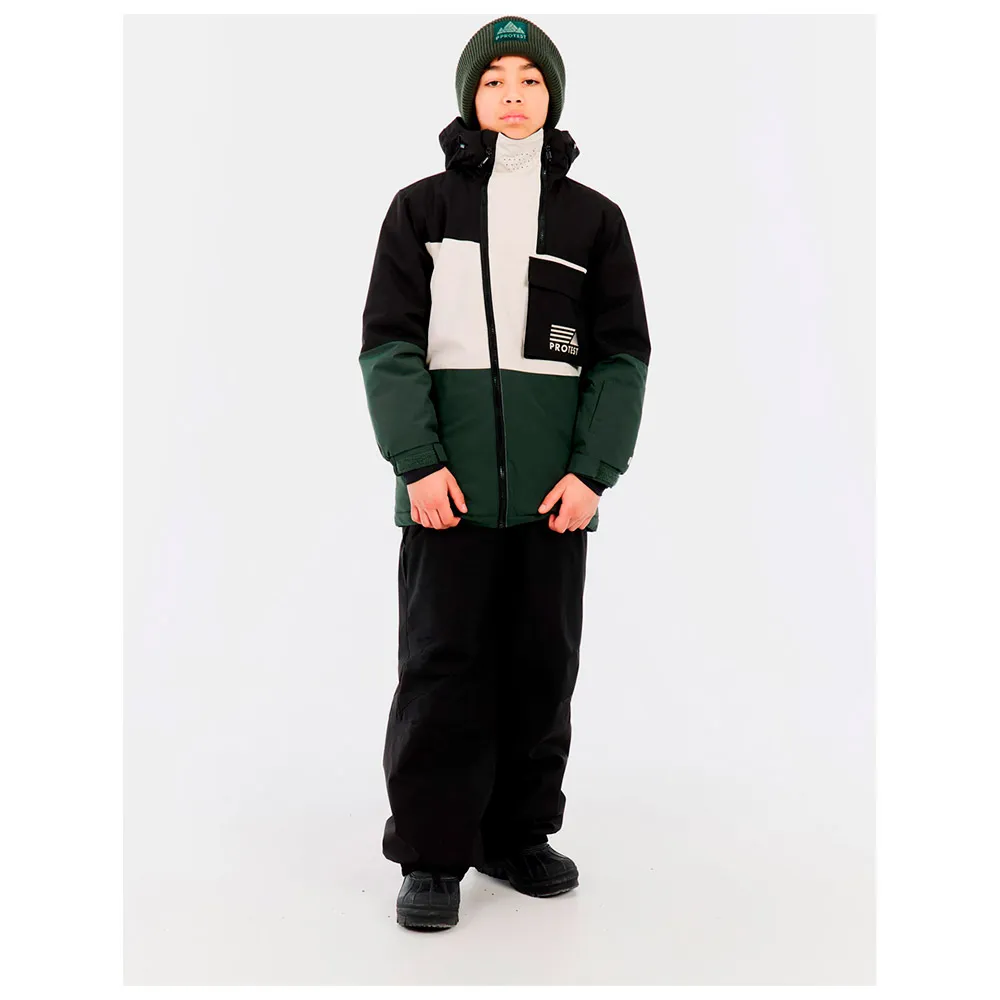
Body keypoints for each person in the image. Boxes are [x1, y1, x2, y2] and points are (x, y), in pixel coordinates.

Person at [359, 15, 651, 931]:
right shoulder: (421, 210)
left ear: (551, 96)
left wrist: (591, 474)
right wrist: (418, 466)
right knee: (440, 671)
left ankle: (517, 835)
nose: (513, 95)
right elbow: (389, 347)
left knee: (541, 669)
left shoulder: (595, 220)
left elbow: (621, 359)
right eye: (494, 80)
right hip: (443, 499)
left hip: (551, 501)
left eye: (529, 79)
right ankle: (432, 855)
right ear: (470, 97)